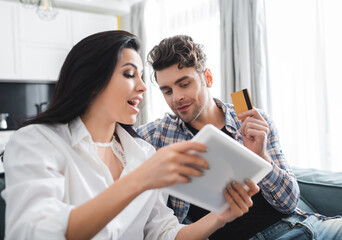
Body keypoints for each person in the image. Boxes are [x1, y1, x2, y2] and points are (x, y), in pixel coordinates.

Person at [1, 30, 260, 240]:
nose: (144, 87)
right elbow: (34, 232)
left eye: (142, 76)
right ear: (91, 81)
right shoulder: (37, 142)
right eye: (128, 74)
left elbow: (164, 233)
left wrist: (220, 216)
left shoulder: (142, 153)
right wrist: (139, 180)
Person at [137, 34, 342, 240]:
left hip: (300, 227)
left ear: (208, 77)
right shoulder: (158, 135)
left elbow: (289, 202)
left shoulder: (252, 119)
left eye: (184, 84)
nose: (177, 98)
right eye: (167, 91)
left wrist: (261, 157)